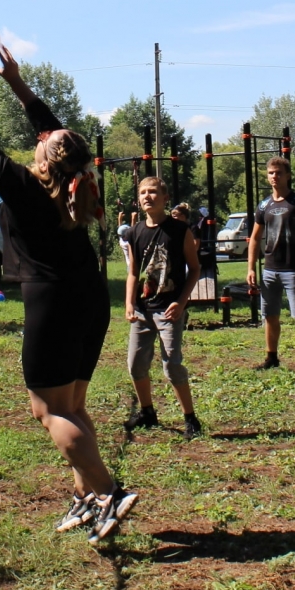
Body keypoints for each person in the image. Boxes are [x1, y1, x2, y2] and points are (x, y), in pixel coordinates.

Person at [0, 46, 135, 544]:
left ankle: (108, 491)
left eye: (44, 141)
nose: (40, 140)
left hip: (55, 303)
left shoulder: (25, 188)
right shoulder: (76, 176)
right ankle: (87, 496)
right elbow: (57, 134)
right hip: (88, 298)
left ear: (47, 156)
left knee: (49, 410)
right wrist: (16, 83)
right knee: (74, 406)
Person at [124, 176, 204, 439]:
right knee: (136, 365)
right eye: (143, 192)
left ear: (165, 198)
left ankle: (190, 419)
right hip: (142, 310)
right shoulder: (134, 232)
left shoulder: (180, 230)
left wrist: (181, 302)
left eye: (154, 192)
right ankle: (147, 412)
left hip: (169, 310)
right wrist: (128, 303)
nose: (148, 196)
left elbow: (194, 269)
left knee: (172, 365)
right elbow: (133, 272)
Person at [246, 157, 295, 380]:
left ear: (288, 175)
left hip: (293, 270)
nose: (275, 177)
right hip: (270, 270)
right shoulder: (264, 205)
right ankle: (271, 357)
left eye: (279, 173)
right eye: (271, 173)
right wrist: (251, 268)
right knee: (270, 316)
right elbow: (254, 238)